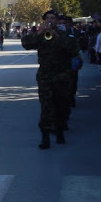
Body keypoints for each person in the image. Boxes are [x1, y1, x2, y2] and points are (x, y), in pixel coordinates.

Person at [21, 10, 79, 149]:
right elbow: (26, 43)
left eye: (53, 18)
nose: (50, 21)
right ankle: (45, 137)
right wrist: (39, 33)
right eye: (47, 18)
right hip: (45, 76)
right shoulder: (41, 35)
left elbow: (73, 49)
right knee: (46, 107)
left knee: (61, 106)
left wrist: (57, 36)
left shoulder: (64, 35)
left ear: (57, 21)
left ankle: (59, 131)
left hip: (62, 76)